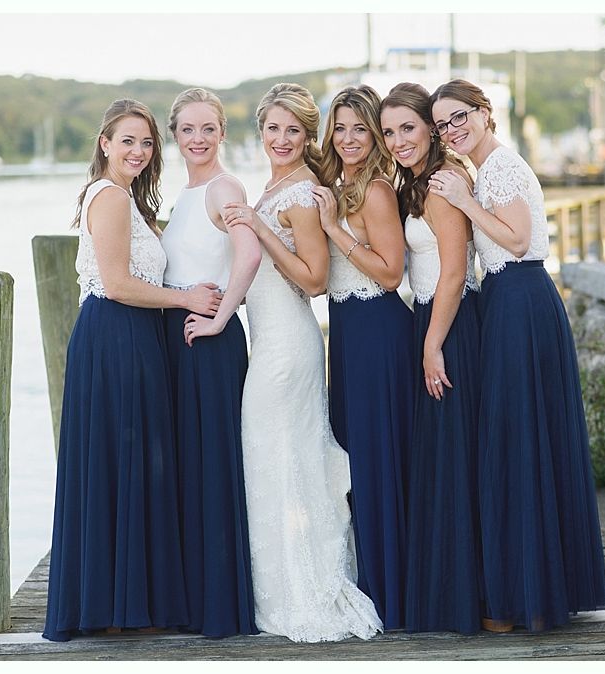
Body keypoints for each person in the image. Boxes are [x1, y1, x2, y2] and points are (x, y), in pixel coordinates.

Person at [427, 79, 605, 633]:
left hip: (522, 300)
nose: (451, 131)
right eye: (442, 125)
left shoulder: (500, 167)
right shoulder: (488, 169)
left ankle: (522, 596)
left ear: (485, 114)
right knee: (522, 437)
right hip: (513, 301)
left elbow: (514, 238)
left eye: (459, 118)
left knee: (520, 439)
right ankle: (529, 588)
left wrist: (462, 201)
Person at [43, 98, 223, 641]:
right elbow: (118, 283)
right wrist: (184, 295)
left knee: (133, 465)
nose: (139, 151)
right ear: (104, 143)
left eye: (147, 143)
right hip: (114, 337)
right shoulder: (109, 198)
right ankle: (112, 606)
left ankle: (126, 602)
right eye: (127, 140)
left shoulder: (124, 199)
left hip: (132, 338)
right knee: (121, 461)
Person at [221, 83, 382, 643]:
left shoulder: (304, 193)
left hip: (289, 344)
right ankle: (276, 590)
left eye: (294, 130)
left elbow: (314, 279)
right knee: (274, 458)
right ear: (260, 131)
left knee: (281, 456)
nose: (283, 139)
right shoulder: (275, 186)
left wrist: (259, 227)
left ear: (307, 136)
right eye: (273, 129)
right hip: (266, 338)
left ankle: (301, 592)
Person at [379, 82, 483, 635]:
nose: (398, 140)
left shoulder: (444, 183)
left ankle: (468, 598)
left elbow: (453, 272)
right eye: (389, 131)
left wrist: (432, 344)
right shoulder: (414, 183)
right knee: (440, 459)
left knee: (454, 457)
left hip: (450, 325)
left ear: (431, 128)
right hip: (431, 319)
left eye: (408, 128)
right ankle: (448, 593)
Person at [160, 87, 262, 638]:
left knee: (213, 470)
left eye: (207, 129)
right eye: (186, 130)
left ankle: (218, 606)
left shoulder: (224, 186)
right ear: (175, 136)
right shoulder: (188, 191)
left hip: (210, 343)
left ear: (223, 132)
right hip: (183, 342)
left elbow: (248, 252)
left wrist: (223, 316)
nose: (197, 139)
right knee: (189, 468)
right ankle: (195, 598)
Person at [312, 85, 414, 631]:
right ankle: (369, 580)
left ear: (375, 135)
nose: (348, 139)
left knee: (377, 463)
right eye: (341, 127)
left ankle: (392, 593)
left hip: (379, 332)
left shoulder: (375, 188)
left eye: (360, 129)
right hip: (346, 337)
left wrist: (331, 230)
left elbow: (391, 271)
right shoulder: (337, 184)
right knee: (353, 459)